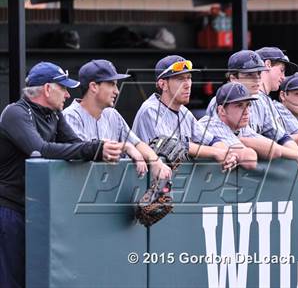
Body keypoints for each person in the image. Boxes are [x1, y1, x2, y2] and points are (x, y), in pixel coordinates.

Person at [0, 62, 124, 288]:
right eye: (63, 88)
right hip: (9, 211)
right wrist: (94, 149)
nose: (68, 94)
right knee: (12, 280)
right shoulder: (15, 112)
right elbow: (40, 150)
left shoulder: (55, 115)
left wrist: (99, 148)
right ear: (47, 89)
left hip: (38, 211)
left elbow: (76, 144)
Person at [205, 50, 298, 182]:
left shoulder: (261, 100)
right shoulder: (222, 102)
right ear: (233, 78)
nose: (257, 79)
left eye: (258, 73)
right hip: (216, 181)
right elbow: (249, 154)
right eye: (250, 75)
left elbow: (281, 139)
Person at [63, 59, 172, 180]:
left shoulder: (112, 114)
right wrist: (126, 147)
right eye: (111, 84)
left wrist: (156, 162)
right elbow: (84, 151)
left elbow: (138, 143)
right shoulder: (70, 116)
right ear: (93, 86)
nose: (117, 91)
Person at [132, 55, 237, 171]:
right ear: (163, 85)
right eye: (180, 79)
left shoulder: (183, 112)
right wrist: (215, 153)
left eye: (189, 77)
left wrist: (226, 153)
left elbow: (212, 140)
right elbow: (172, 146)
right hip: (138, 182)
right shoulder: (150, 110)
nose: (188, 84)